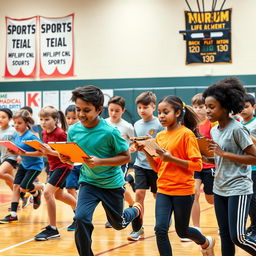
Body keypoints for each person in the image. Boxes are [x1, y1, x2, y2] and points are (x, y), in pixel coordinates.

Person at [59, 85, 143, 256]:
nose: (81, 114)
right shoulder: (74, 130)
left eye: (86, 110)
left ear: (98, 109)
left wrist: (101, 162)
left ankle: (136, 210)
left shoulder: (110, 132)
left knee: (118, 224)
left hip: (111, 184)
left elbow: (126, 157)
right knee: (81, 218)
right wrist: (65, 158)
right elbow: (73, 154)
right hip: (88, 182)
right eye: (78, 109)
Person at [134, 95, 215, 256]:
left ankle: (206, 242)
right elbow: (158, 168)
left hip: (183, 191)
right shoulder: (160, 136)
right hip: (164, 189)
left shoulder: (186, 134)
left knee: (182, 231)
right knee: (160, 229)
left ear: (177, 113)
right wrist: (146, 151)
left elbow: (197, 165)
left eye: (166, 112)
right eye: (159, 112)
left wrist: (172, 158)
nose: (162, 116)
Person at [203, 77, 256, 255]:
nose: (207, 110)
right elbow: (221, 158)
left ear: (225, 107)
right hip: (220, 189)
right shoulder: (213, 130)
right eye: (206, 106)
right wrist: (209, 159)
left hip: (238, 189)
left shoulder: (237, 129)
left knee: (238, 237)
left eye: (212, 107)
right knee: (225, 235)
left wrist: (223, 154)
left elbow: (254, 157)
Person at [34, 106, 77, 240]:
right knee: (59, 195)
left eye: (47, 119)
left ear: (55, 119)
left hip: (63, 166)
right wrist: (26, 152)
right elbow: (46, 153)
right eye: (41, 119)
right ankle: (80, 212)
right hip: (53, 167)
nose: (43, 122)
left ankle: (52, 228)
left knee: (47, 193)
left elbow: (66, 154)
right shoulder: (44, 133)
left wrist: (50, 151)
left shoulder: (61, 134)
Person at [127, 91, 165, 241]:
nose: (142, 110)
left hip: (156, 166)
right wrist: (134, 147)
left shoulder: (160, 124)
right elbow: (137, 144)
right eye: (139, 107)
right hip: (140, 165)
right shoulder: (136, 124)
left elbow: (162, 145)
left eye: (145, 107)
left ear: (153, 107)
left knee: (158, 196)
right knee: (139, 195)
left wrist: (152, 142)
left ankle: (162, 222)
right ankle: (137, 229)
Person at [0, 109, 45, 223]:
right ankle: (13, 215)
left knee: (24, 187)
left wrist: (24, 153)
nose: (16, 125)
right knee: (16, 187)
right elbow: (19, 149)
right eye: (15, 123)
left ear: (26, 123)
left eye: (19, 123)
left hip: (35, 166)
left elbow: (42, 152)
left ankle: (40, 188)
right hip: (24, 165)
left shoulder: (31, 136)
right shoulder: (16, 135)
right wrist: (13, 151)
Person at [188, 93, 216, 238]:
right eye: (196, 107)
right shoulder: (191, 126)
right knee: (194, 194)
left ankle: (221, 222)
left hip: (210, 167)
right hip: (196, 166)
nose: (198, 109)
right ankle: (196, 227)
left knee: (211, 199)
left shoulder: (212, 125)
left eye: (201, 107)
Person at [105, 96, 135, 228]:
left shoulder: (127, 126)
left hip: (122, 161)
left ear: (123, 110)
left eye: (117, 110)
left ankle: (117, 215)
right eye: (111, 110)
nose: (113, 113)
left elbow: (134, 142)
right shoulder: (103, 123)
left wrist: (130, 149)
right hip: (106, 161)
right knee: (109, 188)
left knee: (118, 188)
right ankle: (132, 204)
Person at [240, 93, 256, 237]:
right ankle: (253, 224)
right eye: (240, 107)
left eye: (246, 107)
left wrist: (245, 134)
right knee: (249, 199)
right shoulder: (238, 123)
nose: (242, 110)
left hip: (254, 167)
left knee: (254, 198)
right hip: (243, 167)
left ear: (254, 107)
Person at [64, 105, 80, 202]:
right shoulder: (64, 132)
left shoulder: (84, 131)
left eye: (74, 118)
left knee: (84, 191)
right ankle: (78, 212)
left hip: (84, 165)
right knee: (70, 188)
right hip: (71, 165)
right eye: (68, 118)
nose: (70, 121)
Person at [0, 108, 18, 192]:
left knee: (0, 173)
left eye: (3, 117)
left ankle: (24, 188)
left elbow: (19, 144)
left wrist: (20, 156)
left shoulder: (14, 131)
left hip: (12, 157)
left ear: (10, 119)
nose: (0, 119)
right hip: (3, 157)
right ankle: (21, 197)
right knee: (8, 182)